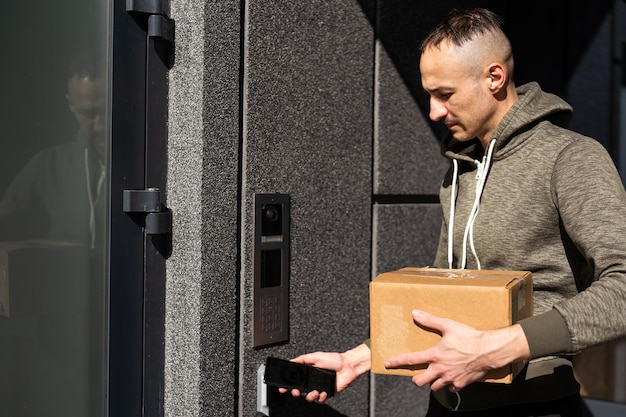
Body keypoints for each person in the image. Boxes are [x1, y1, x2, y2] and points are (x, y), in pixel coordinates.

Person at [280, 7, 626, 416]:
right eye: (429, 95)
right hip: (446, 406)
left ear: (494, 78)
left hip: (534, 405)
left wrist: (496, 348)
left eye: (445, 94)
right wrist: (357, 360)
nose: (434, 112)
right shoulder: (461, 168)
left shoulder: (571, 158)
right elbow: (445, 296)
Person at [0, 54, 106, 249]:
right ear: (70, 105)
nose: (99, 125)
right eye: (87, 113)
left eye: (106, 110)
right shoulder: (48, 165)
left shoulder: (142, 167)